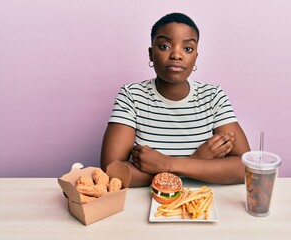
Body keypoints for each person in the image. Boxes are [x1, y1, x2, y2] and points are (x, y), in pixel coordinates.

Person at [100, 12, 250, 187]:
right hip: (148, 205)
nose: (176, 55)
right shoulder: (132, 96)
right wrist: (195, 162)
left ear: (196, 57)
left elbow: (244, 167)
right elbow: (112, 170)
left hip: (204, 203)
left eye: (187, 49)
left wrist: (168, 164)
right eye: (164, 46)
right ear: (150, 54)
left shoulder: (213, 96)